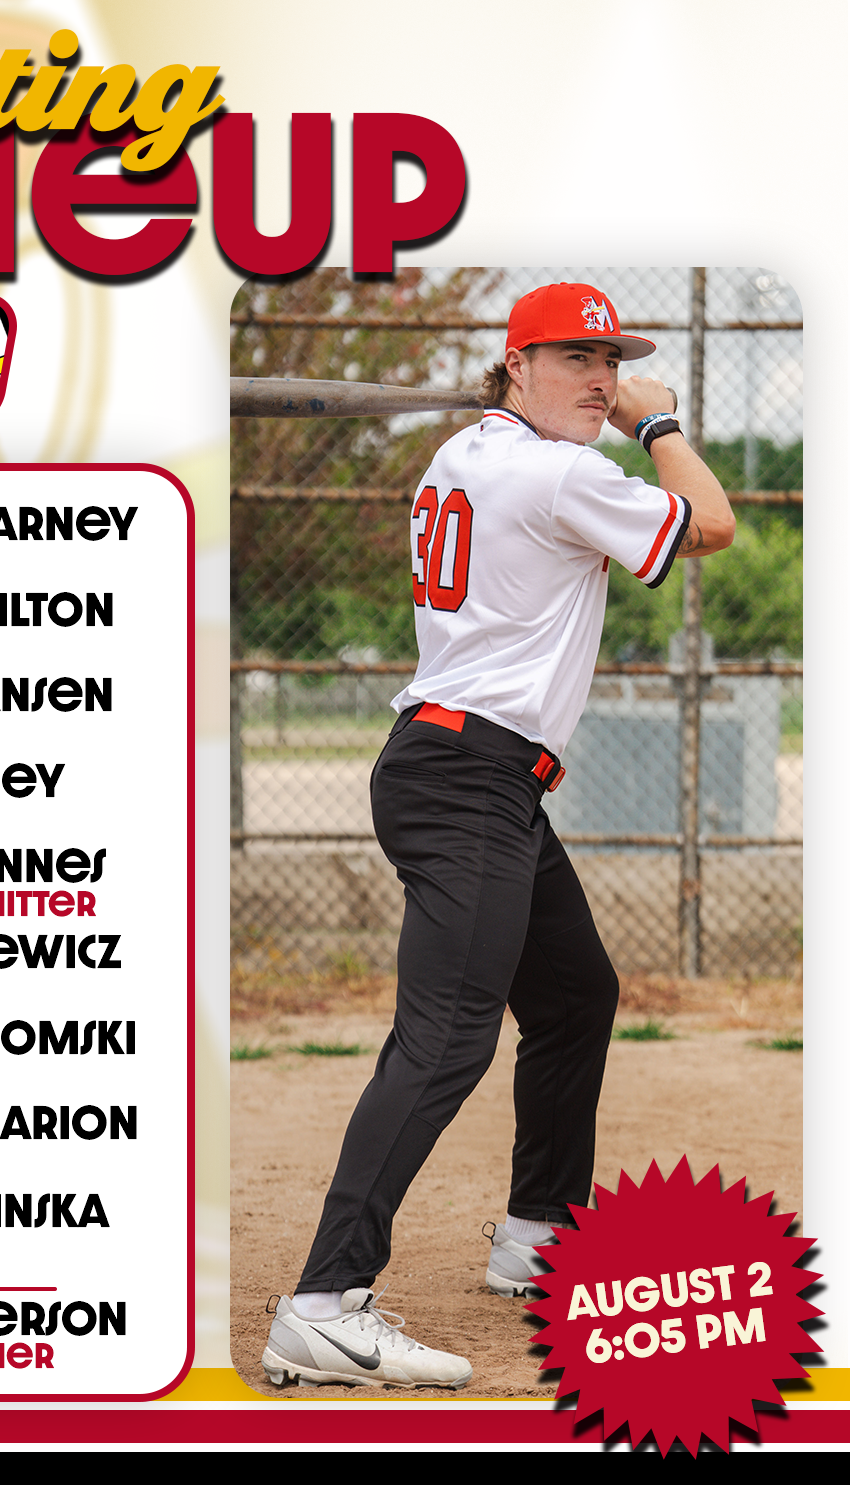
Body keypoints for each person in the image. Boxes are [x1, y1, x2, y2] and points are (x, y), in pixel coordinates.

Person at [261, 282, 736, 1390]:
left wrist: (601, 418)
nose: (603, 377)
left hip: (477, 776)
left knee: (575, 995)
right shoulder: (559, 470)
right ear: (517, 364)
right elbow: (710, 524)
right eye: (577, 358)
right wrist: (658, 423)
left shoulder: (466, 455)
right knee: (445, 1041)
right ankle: (325, 1304)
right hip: (465, 776)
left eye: (613, 361)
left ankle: (536, 1236)